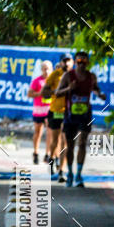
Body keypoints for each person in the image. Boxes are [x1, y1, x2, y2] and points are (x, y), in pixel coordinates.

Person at [55, 50, 106, 187]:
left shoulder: (91, 76)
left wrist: (100, 94)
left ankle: (79, 174)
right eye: (78, 62)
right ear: (75, 62)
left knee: (82, 142)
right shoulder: (68, 76)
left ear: (87, 62)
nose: (81, 64)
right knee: (70, 145)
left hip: (85, 114)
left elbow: (96, 89)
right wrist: (69, 89)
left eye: (84, 62)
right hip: (70, 115)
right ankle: (70, 173)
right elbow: (57, 93)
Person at [42, 53, 73, 182]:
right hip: (55, 110)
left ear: (72, 62)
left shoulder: (75, 75)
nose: (66, 63)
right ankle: (52, 159)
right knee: (55, 141)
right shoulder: (55, 75)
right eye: (64, 61)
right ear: (60, 62)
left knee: (65, 142)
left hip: (69, 112)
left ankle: (61, 171)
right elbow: (45, 92)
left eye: (68, 61)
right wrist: (58, 92)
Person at [28, 60, 53, 163]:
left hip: (50, 109)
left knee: (50, 132)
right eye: (44, 69)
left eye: (48, 68)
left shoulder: (53, 81)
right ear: (41, 69)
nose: (46, 71)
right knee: (38, 132)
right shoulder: (37, 81)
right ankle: (36, 152)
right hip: (38, 110)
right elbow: (29, 94)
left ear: (51, 69)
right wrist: (40, 93)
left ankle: (47, 154)